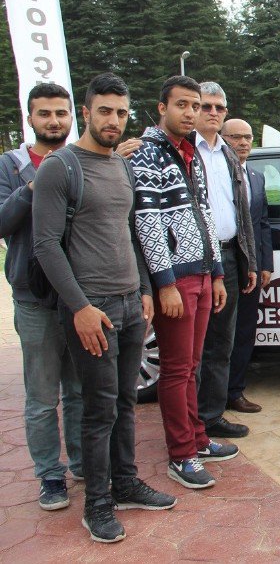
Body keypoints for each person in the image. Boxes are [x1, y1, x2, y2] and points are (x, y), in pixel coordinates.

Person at [33, 73, 176, 542]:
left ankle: (127, 482)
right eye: (105, 111)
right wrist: (78, 307)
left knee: (125, 402)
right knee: (98, 411)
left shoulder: (121, 167)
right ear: (87, 111)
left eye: (120, 112)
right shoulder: (61, 167)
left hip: (130, 305)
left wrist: (145, 289)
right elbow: (46, 245)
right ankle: (97, 504)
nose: (113, 120)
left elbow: (128, 232)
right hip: (89, 310)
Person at [131, 75, 238, 490]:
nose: (191, 113)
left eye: (195, 105)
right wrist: (165, 283)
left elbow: (205, 214)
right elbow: (148, 223)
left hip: (202, 274)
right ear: (162, 108)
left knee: (191, 366)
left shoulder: (190, 151)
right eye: (182, 105)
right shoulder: (147, 155)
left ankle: (197, 438)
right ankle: (181, 455)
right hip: (174, 279)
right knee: (176, 371)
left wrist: (215, 272)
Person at [0, 83, 83, 511]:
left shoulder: (82, 161)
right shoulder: (11, 166)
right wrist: (33, 185)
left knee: (79, 388)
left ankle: (83, 462)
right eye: (44, 113)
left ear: (73, 117)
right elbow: (2, 222)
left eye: (61, 113)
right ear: (29, 118)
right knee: (41, 394)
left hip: (81, 296)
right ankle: (50, 474)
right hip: (34, 297)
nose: (54, 121)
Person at [193, 82, 257, 439]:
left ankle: (211, 416)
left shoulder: (228, 155)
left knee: (221, 343)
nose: (213, 113)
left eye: (219, 107)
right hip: (194, 261)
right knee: (191, 348)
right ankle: (190, 423)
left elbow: (241, 212)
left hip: (230, 255)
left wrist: (246, 258)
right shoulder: (184, 150)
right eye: (206, 107)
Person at [221, 119, 273, 414]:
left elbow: (262, 223)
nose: (242, 143)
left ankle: (234, 391)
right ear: (223, 140)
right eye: (235, 137)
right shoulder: (215, 175)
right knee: (219, 335)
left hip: (250, 268)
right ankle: (213, 393)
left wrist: (265, 263)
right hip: (224, 264)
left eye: (248, 137)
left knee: (243, 331)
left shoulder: (256, 176)